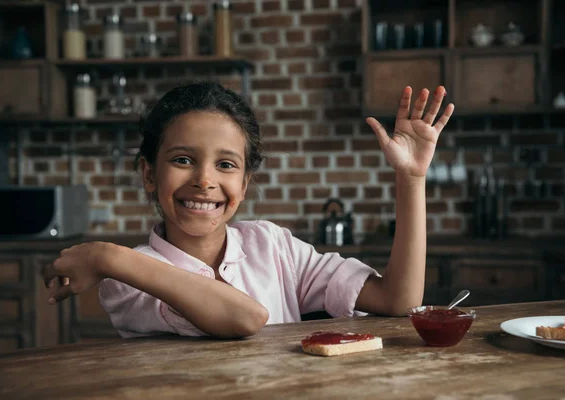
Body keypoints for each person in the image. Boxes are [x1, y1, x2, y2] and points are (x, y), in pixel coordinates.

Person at [43, 81, 454, 339]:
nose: (205, 180)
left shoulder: (272, 245)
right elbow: (244, 318)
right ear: (149, 175)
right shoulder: (129, 276)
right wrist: (111, 257)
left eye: (226, 165)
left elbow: (399, 299)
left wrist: (411, 180)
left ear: (244, 183)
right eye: (183, 160)